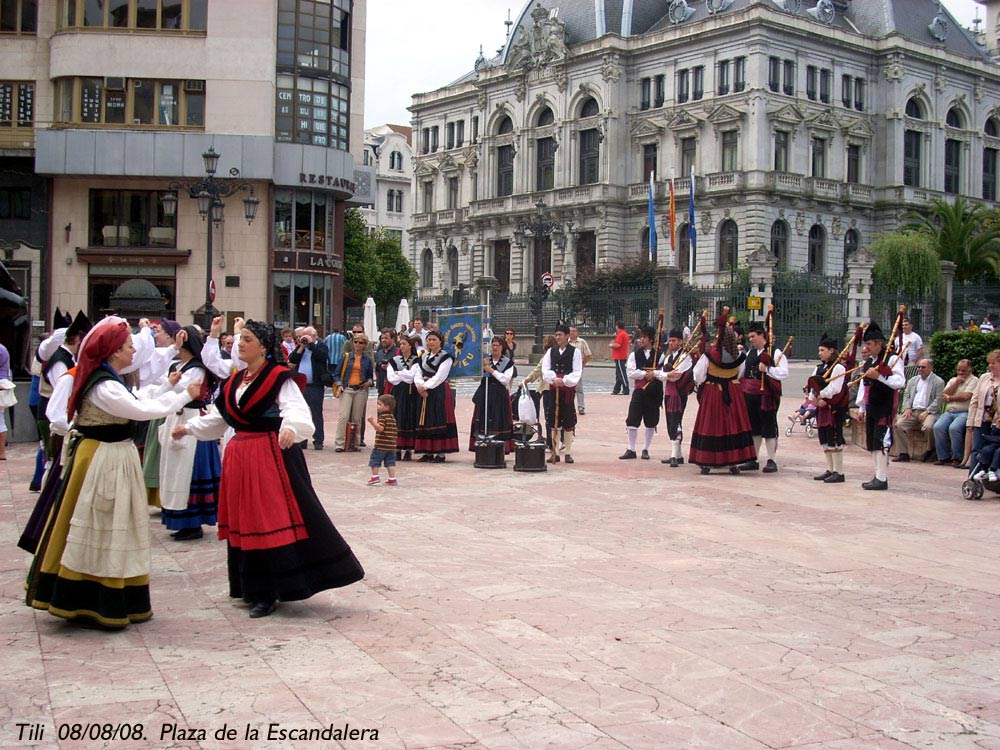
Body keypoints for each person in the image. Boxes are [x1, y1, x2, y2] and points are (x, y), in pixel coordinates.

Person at [173, 321, 364, 618]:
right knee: (245, 518)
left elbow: (296, 410)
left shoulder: (278, 377)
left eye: (247, 339)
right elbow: (221, 418)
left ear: (263, 346)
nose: (240, 344)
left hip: (269, 456)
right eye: (240, 339)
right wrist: (188, 428)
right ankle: (248, 586)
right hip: (240, 456)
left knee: (267, 519)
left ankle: (270, 590)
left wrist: (290, 428)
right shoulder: (235, 381)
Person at [25, 317, 202, 629]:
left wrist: (169, 387)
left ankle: (103, 592)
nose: (134, 350)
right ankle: (90, 598)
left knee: (110, 523)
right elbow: (141, 410)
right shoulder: (104, 384)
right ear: (113, 350)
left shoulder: (108, 378)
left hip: (108, 457)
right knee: (101, 523)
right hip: (101, 459)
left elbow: (138, 399)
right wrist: (186, 394)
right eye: (129, 346)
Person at [157, 326, 221, 541]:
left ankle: (193, 523)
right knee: (175, 470)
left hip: (192, 419)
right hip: (177, 416)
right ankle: (180, 519)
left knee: (189, 471)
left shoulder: (197, 369)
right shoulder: (177, 365)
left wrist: (170, 384)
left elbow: (185, 391)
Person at [689, 311, 756, 474]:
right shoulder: (739, 355)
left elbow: (698, 375)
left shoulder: (710, 355)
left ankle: (707, 461)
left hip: (713, 392)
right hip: (733, 392)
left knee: (711, 424)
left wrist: (708, 381)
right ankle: (733, 461)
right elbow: (740, 373)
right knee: (732, 424)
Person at [855, 320, 906, 490]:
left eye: (869, 344)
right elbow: (865, 385)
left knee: (882, 441)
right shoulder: (870, 361)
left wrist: (880, 377)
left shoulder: (892, 359)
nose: (866, 348)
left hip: (885, 406)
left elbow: (899, 381)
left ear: (879, 344)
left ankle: (882, 478)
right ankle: (877, 475)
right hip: (872, 406)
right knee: (873, 442)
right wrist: (861, 407)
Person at [738, 321, 789, 473]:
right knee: (754, 427)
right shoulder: (750, 353)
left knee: (768, 426)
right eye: (750, 337)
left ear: (761, 335)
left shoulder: (775, 352)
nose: (751, 340)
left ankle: (771, 459)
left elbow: (784, 372)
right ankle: (753, 459)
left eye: (753, 336)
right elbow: (742, 371)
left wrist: (767, 369)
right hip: (750, 394)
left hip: (766, 395)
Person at [808, 333, 851, 484]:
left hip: (833, 407)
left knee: (834, 438)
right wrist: (813, 397)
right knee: (824, 438)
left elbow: (836, 388)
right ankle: (830, 469)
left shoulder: (838, 367)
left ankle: (839, 472)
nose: (819, 353)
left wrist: (822, 397)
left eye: (822, 350)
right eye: (819, 350)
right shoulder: (819, 368)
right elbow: (812, 384)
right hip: (821, 407)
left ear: (832, 350)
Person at [413, 330, 459, 461]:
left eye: (434, 340)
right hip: (424, 390)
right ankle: (427, 451)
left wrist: (426, 386)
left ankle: (440, 452)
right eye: (429, 340)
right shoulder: (423, 356)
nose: (431, 342)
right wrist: (420, 386)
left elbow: (440, 376)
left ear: (440, 341)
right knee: (426, 419)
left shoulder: (446, 357)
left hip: (438, 391)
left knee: (439, 418)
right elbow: (417, 372)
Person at [541, 324, 582, 464]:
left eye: (560, 335)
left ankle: (568, 453)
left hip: (567, 390)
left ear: (566, 336)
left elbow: (577, 371)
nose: (557, 337)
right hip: (554, 389)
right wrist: (553, 379)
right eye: (556, 335)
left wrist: (564, 380)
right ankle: (555, 452)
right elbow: (545, 369)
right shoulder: (551, 351)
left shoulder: (575, 352)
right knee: (553, 420)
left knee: (568, 420)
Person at [620, 326, 662, 460]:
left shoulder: (660, 355)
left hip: (654, 391)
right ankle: (631, 449)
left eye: (644, 337)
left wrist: (654, 373)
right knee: (632, 418)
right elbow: (631, 372)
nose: (641, 339)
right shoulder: (634, 355)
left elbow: (664, 372)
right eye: (640, 337)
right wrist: (645, 374)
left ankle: (646, 449)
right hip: (639, 391)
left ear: (651, 339)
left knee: (651, 420)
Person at [892, 358, 945, 463]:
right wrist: (907, 408)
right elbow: (906, 395)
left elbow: (938, 399)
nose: (920, 369)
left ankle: (930, 450)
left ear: (931, 368)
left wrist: (927, 411)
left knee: (929, 427)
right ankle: (903, 453)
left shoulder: (938, 382)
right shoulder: (913, 380)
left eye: (923, 367)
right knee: (898, 425)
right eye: (919, 367)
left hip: (929, 412)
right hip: (913, 411)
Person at [469, 336, 515, 453]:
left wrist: (491, 370)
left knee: (498, 419)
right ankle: (482, 444)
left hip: (499, 394)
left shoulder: (508, 363)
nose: (495, 348)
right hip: (485, 392)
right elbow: (475, 378)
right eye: (493, 345)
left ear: (502, 347)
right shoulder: (485, 360)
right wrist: (480, 368)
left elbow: (505, 380)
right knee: (483, 418)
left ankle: (500, 446)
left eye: (497, 345)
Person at [288, 326, 331, 450]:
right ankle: (302, 439)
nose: (304, 338)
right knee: (301, 412)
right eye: (302, 336)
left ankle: (318, 440)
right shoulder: (301, 347)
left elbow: (322, 357)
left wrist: (311, 345)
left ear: (314, 336)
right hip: (301, 385)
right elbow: (292, 359)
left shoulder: (321, 346)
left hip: (315, 385)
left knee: (316, 413)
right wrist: (301, 347)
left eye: (306, 336)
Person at [655, 327, 694, 467]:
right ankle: (678, 455)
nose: (671, 343)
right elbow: (661, 375)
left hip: (679, 394)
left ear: (680, 342)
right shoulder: (668, 358)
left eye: (674, 341)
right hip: (669, 393)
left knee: (675, 421)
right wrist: (666, 374)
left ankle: (673, 455)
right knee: (671, 421)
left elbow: (677, 376)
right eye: (670, 341)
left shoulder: (685, 357)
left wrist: (666, 375)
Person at [333, 332, 374, 452]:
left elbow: (370, 376)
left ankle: (355, 443)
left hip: (360, 389)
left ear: (365, 345)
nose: (357, 344)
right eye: (355, 342)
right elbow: (336, 374)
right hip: (347, 388)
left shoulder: (367, 359)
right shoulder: (346, 357)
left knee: (357, 418)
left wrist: (369, 382)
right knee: (343, 416)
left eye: (360, 342)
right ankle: (339, 443)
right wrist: (340, 385)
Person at [933, 359, 978, 466]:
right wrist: (956, 383)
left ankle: (957, 457)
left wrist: (949, 397)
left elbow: (965, 396)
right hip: (950, 411)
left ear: (970, 370)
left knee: (954, 428)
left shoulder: (974, 381)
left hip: (964, 412)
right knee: (937, 427)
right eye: (958, 370)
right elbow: (943, 394)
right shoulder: (954, 379)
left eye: (964, 371)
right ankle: (943, 456)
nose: (960, 373)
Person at [386, 336, 419, 460]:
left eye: (404, 344)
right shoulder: (394, 360)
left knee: (409, 418)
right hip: (398, 392)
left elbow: (412, 376)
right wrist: (404, 375)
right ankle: (397, 448)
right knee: (397, 417)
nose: (402, 346)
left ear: (410, 345)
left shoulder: (416, 360)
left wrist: (399, 373)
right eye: (401, 344)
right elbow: (391, 379)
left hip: (411, 393)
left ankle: (409, 449)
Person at [967, 350, 1000, 469]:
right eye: (989, 363)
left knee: (992, 449)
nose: (990, 366)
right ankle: (973, 478)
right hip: (981, 419)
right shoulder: (984, 378)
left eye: (993, 363)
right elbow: (974, 401)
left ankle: (989, 476)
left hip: (997, 423)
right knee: (976, 449)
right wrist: (970, 422)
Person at [367, 394, 398, 486]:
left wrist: (372, 422)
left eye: (379, 404)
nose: (377, 406)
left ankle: (375, 476)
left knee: (375, 460)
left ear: (386, 407)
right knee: (390, 462)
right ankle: (392, 478)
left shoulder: (383, 417)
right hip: (391, 446)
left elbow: (380, 428)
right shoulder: (392, 417)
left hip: (381, 445)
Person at [568, 326, 592, 415]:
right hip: (568, 368)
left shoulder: (582, 342)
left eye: (574, 331)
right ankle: (569, 406)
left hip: (578, 369)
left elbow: (588, 354)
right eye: (570, 331)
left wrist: (582, 364)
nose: (572, 333)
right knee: (568, 388)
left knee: (579, 387)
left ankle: (581, 406)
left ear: (577, 332)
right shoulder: (566, 342)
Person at [373, 328, 399, 395]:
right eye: (382, 338)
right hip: (381, 388)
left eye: (386, 338)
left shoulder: (398, 352)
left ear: (392, 339)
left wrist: (390, 367)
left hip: (394, 388)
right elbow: (377, 370)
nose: (383, 340)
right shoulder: (379, 353)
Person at [610, 320, 630, 395]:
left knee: (621, 374)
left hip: (619, 356)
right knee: (618, 374)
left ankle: (626, 389)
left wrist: (611, 345)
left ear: (618, 326)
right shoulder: (624, 334)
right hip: (622, 356)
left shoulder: (621, 334)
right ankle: (616, 389)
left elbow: (618, 345)